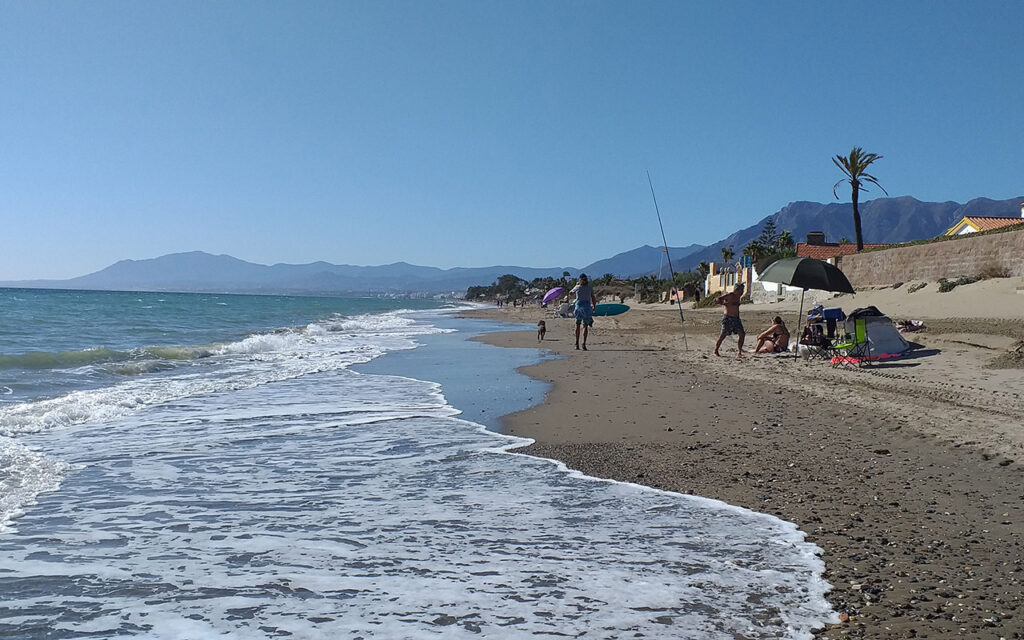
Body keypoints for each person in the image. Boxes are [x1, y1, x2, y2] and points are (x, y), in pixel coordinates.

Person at [713, 283, 745, 357]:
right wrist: (723, 303)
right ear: (736, 289)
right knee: (723, 335)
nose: (741, 291)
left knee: (742, 334)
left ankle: (739, 351)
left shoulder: (738, 297)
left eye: (742, 290)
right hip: (728, 318)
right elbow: (717, 299)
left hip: (736, 318)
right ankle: (716, 350)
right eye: (740, 289)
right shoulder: (730, 295)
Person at [570, 273, 597, 350]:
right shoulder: (589, 288)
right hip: (587, 308)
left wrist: (576, 286)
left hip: (579, 307)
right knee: (585, 326)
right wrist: (594, 307)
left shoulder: (577, 287)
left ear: (580, 279)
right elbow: (593, 298)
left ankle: (576, 344)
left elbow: (570, 293)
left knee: (577, 325)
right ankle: (583, 344)